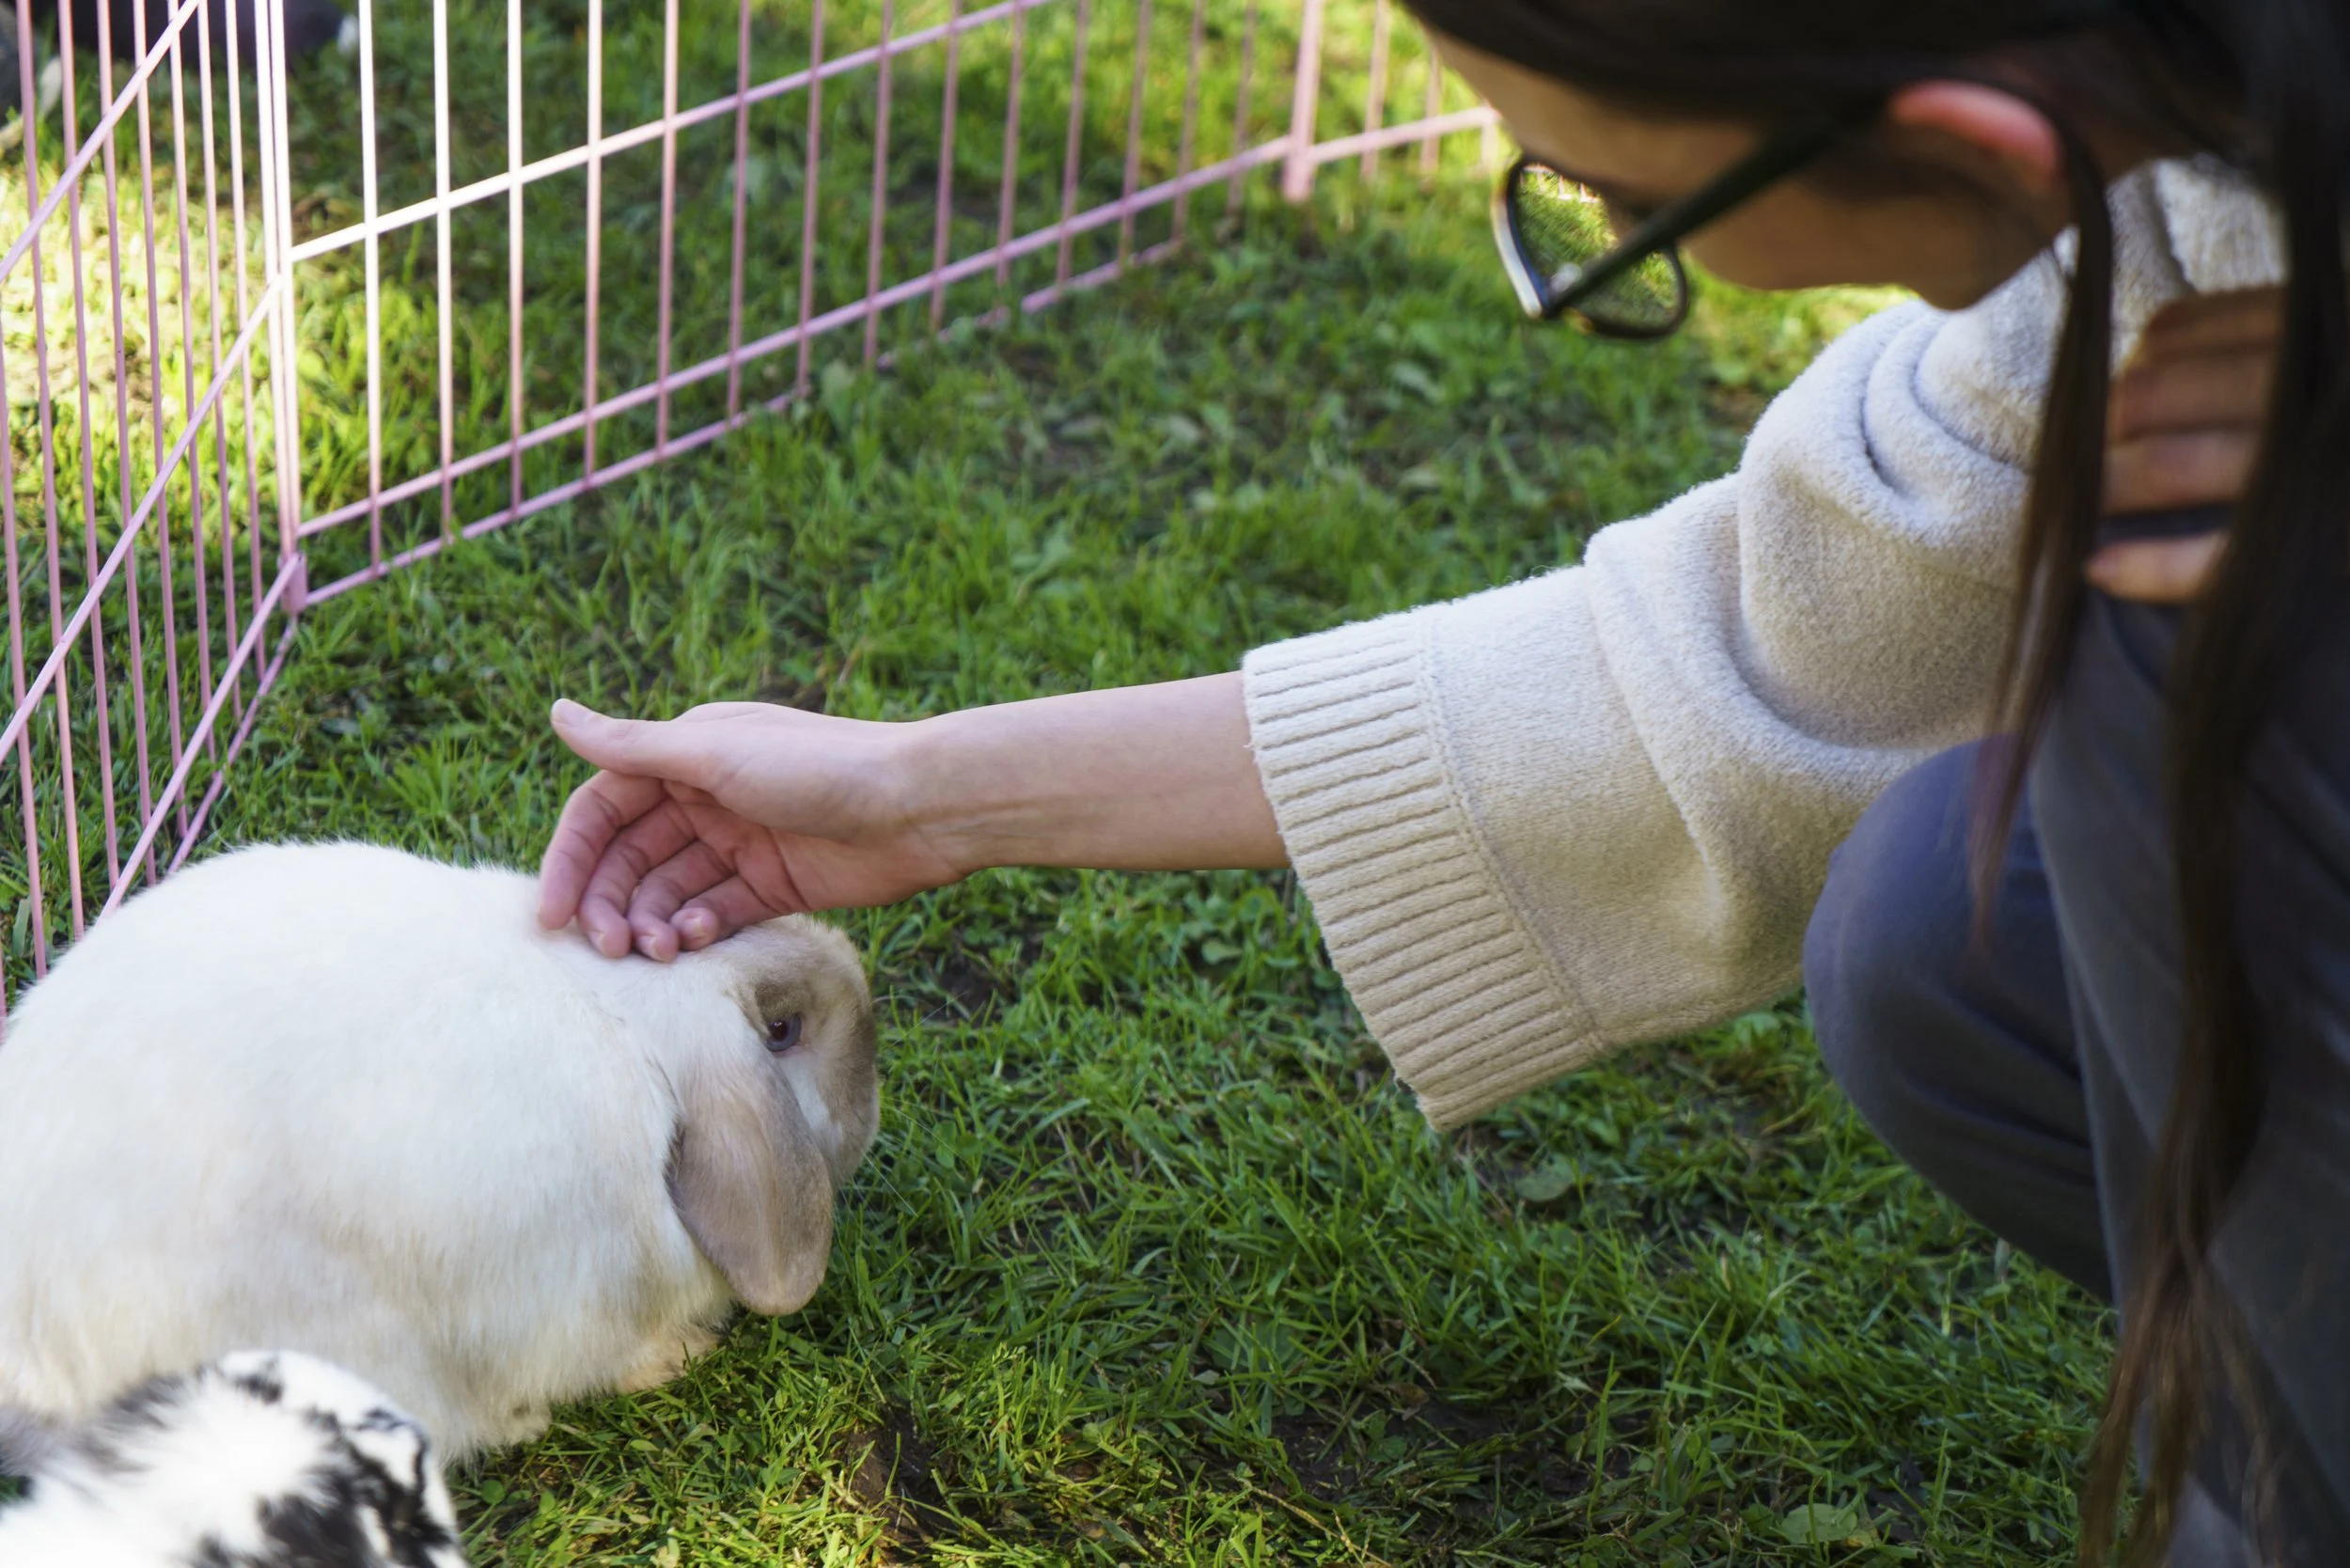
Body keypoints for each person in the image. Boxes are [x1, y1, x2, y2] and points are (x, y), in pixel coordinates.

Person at [535, 3, 2343, 1561]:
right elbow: (1779, 647)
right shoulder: (2171, 209)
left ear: (1975, 143)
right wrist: (922, 794)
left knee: (2193, 663)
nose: (1605, 239)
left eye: (1628, 214)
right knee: (1935, 931)